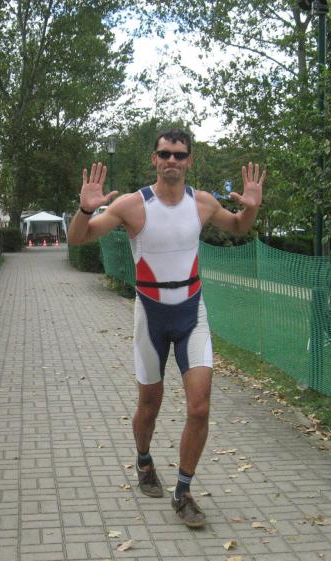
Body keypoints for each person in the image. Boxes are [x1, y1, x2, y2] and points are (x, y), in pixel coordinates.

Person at [67, 128, 265, 528]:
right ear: (154, 159)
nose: (172, 160)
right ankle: (144, 461)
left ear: (189, 160)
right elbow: (78, 238)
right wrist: (85, 210)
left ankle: (183, 491)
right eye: (165, 154)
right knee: (149, 404)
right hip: (151, 316)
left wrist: (251, 208)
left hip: (192, 312)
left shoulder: (202, 203)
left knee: (200, 407)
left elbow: (238, 227)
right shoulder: (131, 205)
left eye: (179, 154)